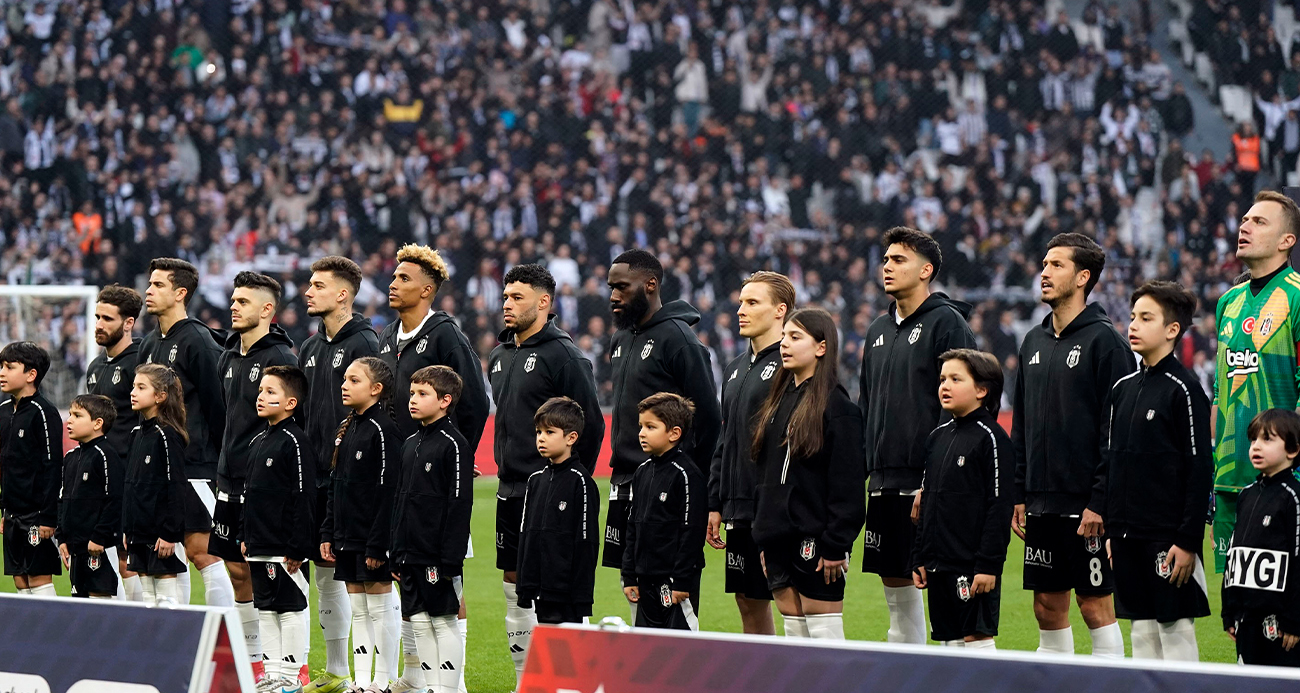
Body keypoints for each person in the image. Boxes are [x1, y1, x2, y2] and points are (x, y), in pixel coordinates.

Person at [1011, 233, 1134, 657]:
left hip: (1088, 506)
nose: (1044, 272)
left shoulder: (1107, 343)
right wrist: (1020, 492)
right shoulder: (1032, 342)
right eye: (1044, 264)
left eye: (1056, 265)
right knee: (1046, 607)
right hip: (1042, 503)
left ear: (1083, 277)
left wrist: (1101, 500)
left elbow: (1116, 431)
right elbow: (1022, 423)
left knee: (1094, 605)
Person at [859, 227, 977, 645]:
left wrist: (937, 479)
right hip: (884, 483)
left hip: (932, 484)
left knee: (944, 594)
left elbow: (968, 408)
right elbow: (867, 406)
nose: (888, 266)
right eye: (886, 259)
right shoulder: (876, 330)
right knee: (896, 594)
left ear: (926, 271)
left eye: (899, 260)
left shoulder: (948, 324)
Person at [377, 244, 485, 693]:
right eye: (394, 276)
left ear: (427, 289)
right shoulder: (386, 337)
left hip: (435, 476)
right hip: (396, 477)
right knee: (409, 575)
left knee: (447, 582)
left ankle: (451, 684)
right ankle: (414, 677)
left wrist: (454, 455)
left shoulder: (445, 335)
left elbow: (475, 402)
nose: (393, 283)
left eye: (403, 278)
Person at [489, 263, 603, 683]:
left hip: (553, 490)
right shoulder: (499, 356)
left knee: (560, 587)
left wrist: (568, 482)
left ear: (544, 302)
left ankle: (574, 681)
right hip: (509, 490)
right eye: (505, 297)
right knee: (515, 581)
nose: (507, 304)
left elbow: (590, 422)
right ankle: (527, 680)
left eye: (517, 297)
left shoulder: (564, 355)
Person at [1104, 281, 1212, 661]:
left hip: (1168, 540)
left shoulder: (1184, 389)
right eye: (1133, 316)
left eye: (1145, 318)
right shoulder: (1123, 389)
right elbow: (1115, 463)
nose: (1133, 324)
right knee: (1142, 635)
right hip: (1126, 536)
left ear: (1172, 330)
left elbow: (1199, 468)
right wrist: (1113, 530)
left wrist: (1187, 541)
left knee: (1176, 632)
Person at [604, 249, 720, 589]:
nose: (613, 296)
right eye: (611, 287)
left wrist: (687, 476)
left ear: (650, 285)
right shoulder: (620, 338)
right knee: (634, 585)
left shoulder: (679, 339)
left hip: (666, 483)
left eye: (622, 287)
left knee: (671, 587)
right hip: (625, 479)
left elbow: (709, 418)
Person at [751, 308, 866, 640]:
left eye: (795, 337)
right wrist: (765, 535)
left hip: (815, 542)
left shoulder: (837, 407)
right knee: (795, 642)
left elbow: (848, 483)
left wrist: (836, 544)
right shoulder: (776, 403)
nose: (784, 344)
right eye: (784, 336)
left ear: (821, 347)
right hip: (776, 540)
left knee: (823, 640)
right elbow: (765, 474)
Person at [299, 256, 379, 693]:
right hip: (316, 479)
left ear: (343, 294)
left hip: (353, 481)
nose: (308, 292)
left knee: (363, 577)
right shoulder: (310, 348)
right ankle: (336, 670)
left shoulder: (367, 342)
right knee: (325, 570)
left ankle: (379, 673)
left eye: (317, 285)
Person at [212, 271, 297, 682]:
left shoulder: (281, 357)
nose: (233, 305)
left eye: (243, 301)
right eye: (233, 299)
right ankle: (255, 662)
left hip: (264, 482)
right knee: (235, 569)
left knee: (272, 571)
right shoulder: (228, 356)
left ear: (267, 310)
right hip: (228, 479)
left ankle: (291, 666)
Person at [138, 258, 236, 608]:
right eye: (149, 284)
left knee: (202, 551)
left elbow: (218, 407)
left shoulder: (198, 340)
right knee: (166, 554)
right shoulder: (149, 343)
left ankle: (226, 644)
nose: (148, 291)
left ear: (181, 293)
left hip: (195, 467)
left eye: (158, 285)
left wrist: (219, 467)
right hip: (159, 468)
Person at [1213, 191, 1300, 575]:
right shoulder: (1228, 302)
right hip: (1231, 482)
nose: (1244, 226)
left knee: (1284, 605)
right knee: (1239, 606)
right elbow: (1220, 392)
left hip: (1284, 483)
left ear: (1287, 241)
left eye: (1259, 222)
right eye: (1245, 220)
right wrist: (1214, 468)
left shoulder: (1296, 296)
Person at [707, 271, 795, 635]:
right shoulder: (735, 369)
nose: (741, 310)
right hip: (738, 505)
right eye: (741, 302)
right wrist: (715, 502)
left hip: (777, 507)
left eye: (752, 302)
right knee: (747, 598)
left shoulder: (792, 365)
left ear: (780, 311)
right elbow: (725, 439)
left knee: (792, 601)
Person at [911, 349, 1013, 649]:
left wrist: (988, 565)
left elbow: (999, 507)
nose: (945, 385)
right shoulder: (937, 437)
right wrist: (920, 557)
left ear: (982, 390)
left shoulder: (992, 439)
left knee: (976, 641)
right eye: (942, 378)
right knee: (949, 643)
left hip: (972, 567)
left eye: (956, 379)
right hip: (938, 565)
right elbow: (927, 504)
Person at [319, 357, 401, 693]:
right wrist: (328, 532)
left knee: (378, 607)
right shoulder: (348, 427)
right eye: (345, 379)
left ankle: (384, 680)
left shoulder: (384, 431)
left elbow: (388, 491)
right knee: (358, 609)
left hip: (371, 538)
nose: (344, 385)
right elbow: (335, 484)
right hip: (347, 537)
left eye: (354, 380)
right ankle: (362, 681)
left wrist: (378, 543)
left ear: (376, 389)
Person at [391, 365, 474, 693]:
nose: (413, 399)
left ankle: (448, 689)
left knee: (443, 622)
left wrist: (450, 557)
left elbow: (459, 504)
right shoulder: (410, 443)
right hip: (410, 554)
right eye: (412, 393)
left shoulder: (454, 445)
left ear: (445, 400)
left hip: (438, 556)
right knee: (421, 625)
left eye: (422, 394)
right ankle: (431, 686)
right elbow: (400, 501)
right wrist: (396, 550)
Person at [240, 365, 316, 690]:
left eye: (271, 392)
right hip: (259, 545)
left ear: (290, 403)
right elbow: (250, 495)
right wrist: (245, 535)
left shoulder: (295, 442)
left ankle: (291, 676)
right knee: (266, 611)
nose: (261, 396)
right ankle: (271, 676)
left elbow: (304, 496)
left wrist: (298, 545)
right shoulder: (257, 441)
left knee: (290, 609)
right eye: (261, 391)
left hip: (285, 550)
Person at [621, 392, 707, 630]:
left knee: (681, 649)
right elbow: (632, 526)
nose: (641, 433)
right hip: (644, 579)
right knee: (648, 649)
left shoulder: (687, 475)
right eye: (641, 426)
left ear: (674, 433)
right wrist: (629, 574)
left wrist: (681, 579)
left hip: (674, 581)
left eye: (650, 426)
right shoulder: (642, 472)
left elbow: (692, 532)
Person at [1222, 409, 1300, 667]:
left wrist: (1295, 619)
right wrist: (1229, 610)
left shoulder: (1293, 498)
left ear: (1293, 450)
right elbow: (1235, 554)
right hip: (1247, 620)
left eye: (1267, 439)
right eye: (1253, 439)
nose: (1256, 446)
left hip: (1281, 624)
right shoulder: (1246, 495)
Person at [516, 397, 601, 626]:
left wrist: (582, 597)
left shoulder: (581, 482)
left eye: (549, 432)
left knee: (570, 656)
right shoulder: (535, 480)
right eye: (538, 432)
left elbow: (587, 542)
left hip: (567, 594)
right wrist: (525, 587)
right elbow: (526, 536)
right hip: (539, 591)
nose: (541, 438)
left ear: (571, 438)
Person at [86, 285, 145, 601]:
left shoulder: (141, 360)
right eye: (97, 316)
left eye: (107, 318)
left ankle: (139, 628)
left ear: (128, 323)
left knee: (127, 557)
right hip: (99, 474)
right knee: (100, 554)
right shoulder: (95, 367)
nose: (98, 324)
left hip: (128, 473)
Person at [122, 364, 190, 606]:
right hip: (138, 532)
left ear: (161, 396)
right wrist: (127, 528)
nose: (133, 392)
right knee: (148, 599)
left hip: (161, 534)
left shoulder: (168, 434)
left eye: (141, 387)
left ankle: (178, 642)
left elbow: (176, 486)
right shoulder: (136, 433)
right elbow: (131, 485)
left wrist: (170, 533)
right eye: (133, 386)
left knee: (166, 598)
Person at [0, 341, 64, 596]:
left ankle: (51, 634)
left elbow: (52, 465)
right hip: (12, 514)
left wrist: (49, 516)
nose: (2, 372)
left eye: (9, 367)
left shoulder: (43, 412)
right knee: (19, 581)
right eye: (1, 366)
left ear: (31, 374)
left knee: (38, 579)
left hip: (37, 514)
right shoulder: (3, 412)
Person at [57, 395, 123, 599]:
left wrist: (99, 537)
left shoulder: (105, 455)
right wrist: (62, 538)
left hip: (99, 547)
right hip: (76, 548)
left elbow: (114, 499)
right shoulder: (71, 457)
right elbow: (63, 500)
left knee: (102, 602)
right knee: (81, 605)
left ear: (97, 423)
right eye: (69, 415)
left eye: (77, 415)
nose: (69, 420)